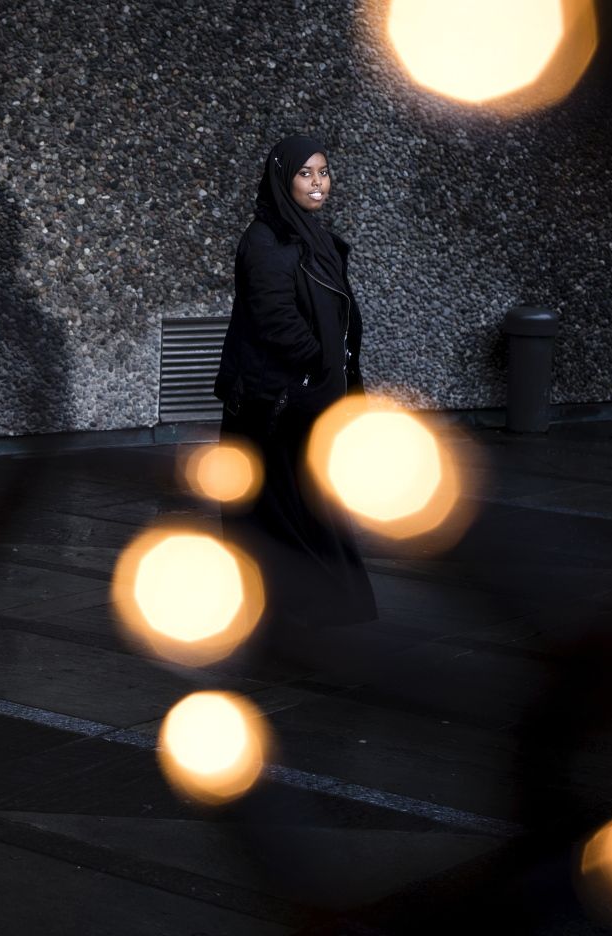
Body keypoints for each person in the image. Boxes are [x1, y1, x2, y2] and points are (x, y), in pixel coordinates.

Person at [213, 134, 377, 633]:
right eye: (305, 173)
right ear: (283, 179)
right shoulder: (266, 239)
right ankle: (291, 607)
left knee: (305, 503)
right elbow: (274, 317)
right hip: (273, 400)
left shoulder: (313, 236)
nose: (318, 182)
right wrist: (317, 363)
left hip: (306, 394)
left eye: (323, 172)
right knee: (275, 506)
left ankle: (314, 604)